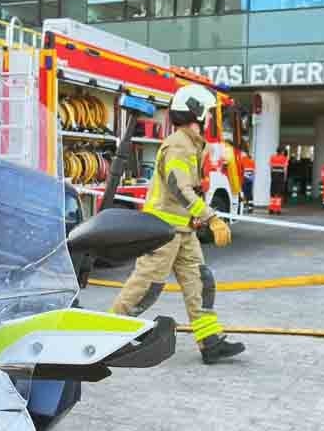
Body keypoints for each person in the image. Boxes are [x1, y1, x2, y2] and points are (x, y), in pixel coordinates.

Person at [111, 84, 245, 364]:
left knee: (200, 282)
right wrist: (212, 217)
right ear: (196, 114)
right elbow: (179, 187)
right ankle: (108, 337)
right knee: (146, 286)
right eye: (207, 114)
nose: (208, 119)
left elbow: (188, 192)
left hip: (182, 232)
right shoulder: (178, 146)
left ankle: (209, 342)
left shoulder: (191, 145)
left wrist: (196, 215)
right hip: (162, 231)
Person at [268, 148, 288, 215]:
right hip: (280, 177)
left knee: (272, 193)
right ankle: (278, 210)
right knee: (279, 193)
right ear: (282, 152)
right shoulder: (284, 158)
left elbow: (270, 167)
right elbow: (285, 169)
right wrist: (285, 178)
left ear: (276, 151)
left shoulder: (272, 157)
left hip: (274, 177)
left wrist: (272, 175)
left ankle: (271, 209)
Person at [240, 147, 255, 211]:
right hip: (250, 178)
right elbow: (253, 170)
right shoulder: (252, 160)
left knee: (244, 192)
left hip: (244, 177)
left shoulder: (243, 159)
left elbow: (241, 169)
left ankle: (244, 206)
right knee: (249, 193)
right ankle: (250, 207)